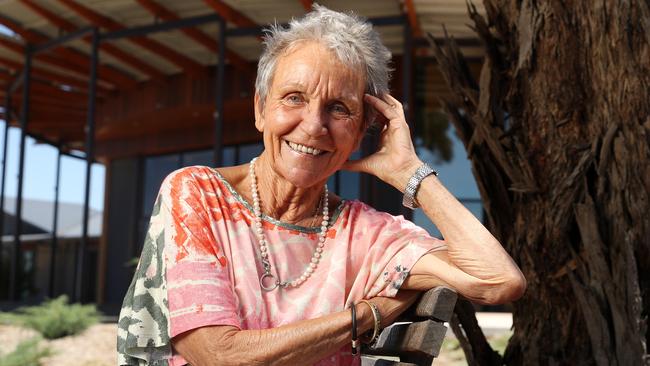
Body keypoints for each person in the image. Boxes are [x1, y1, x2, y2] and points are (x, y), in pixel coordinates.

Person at [117, 5, 526, 366]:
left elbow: (498, 281)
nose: (314, 126)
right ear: (261, 110)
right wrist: (368, 314)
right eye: (294, 98)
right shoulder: (198, 194)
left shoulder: (367, 235)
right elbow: (220, 356)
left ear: (364, 128)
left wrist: (410, 173)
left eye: (339, 108)